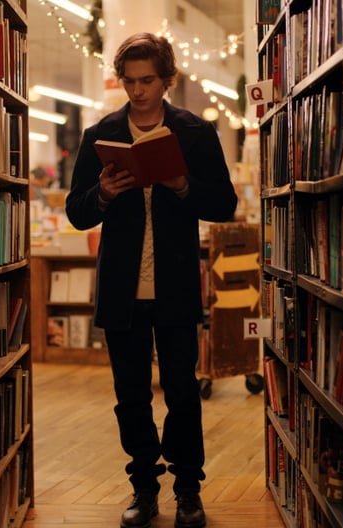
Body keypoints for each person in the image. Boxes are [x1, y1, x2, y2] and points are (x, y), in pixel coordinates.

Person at [65, 32, 237, 528]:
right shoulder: (101, 134)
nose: (138, 91)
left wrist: (183, 185)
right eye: (130, 81)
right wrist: (101, 193)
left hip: (176, 285)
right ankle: (143, 488)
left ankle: (188, 491)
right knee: (131, 395)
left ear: (167, 80)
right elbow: (78, 213)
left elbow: (223, 204)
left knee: (182, 391)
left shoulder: (194, 133)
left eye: (148, 81)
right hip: (123, 289)